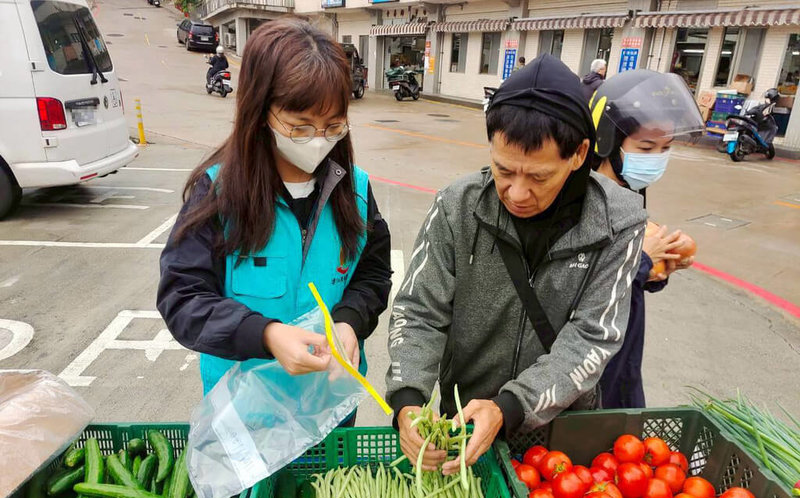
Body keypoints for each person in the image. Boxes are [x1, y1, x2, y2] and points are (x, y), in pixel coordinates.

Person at [387, 54, 647, 473]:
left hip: (561, 439)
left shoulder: (619, 222)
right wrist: (408, 399)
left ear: (579, 153)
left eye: (539, 177)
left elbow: (593, 337)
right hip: (463, 425)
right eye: (503, 169)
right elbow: (419, 309)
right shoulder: (458, 205)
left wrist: (510, 406)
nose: (517, 193)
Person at [158, 20, 392, 418]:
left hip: (328, 408)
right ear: (260, 113)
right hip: (245, 412)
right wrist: (265, 334)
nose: (319, 139)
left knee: (330, 482)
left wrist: (350, 322)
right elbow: (182, 296)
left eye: (333, 125)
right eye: (299, 127)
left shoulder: (354, 190)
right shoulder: (218, 194)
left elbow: (372, 274)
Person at [589, 70, 705, 408]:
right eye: (645, 147)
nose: (655, 158)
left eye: (665, 148)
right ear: (608, 140)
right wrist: (643, 261)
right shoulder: (588, 200)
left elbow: (632, 279)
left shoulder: (632, 193)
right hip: (594, 357)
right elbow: (585, 284)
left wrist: (661, 267)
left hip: (625, 347)